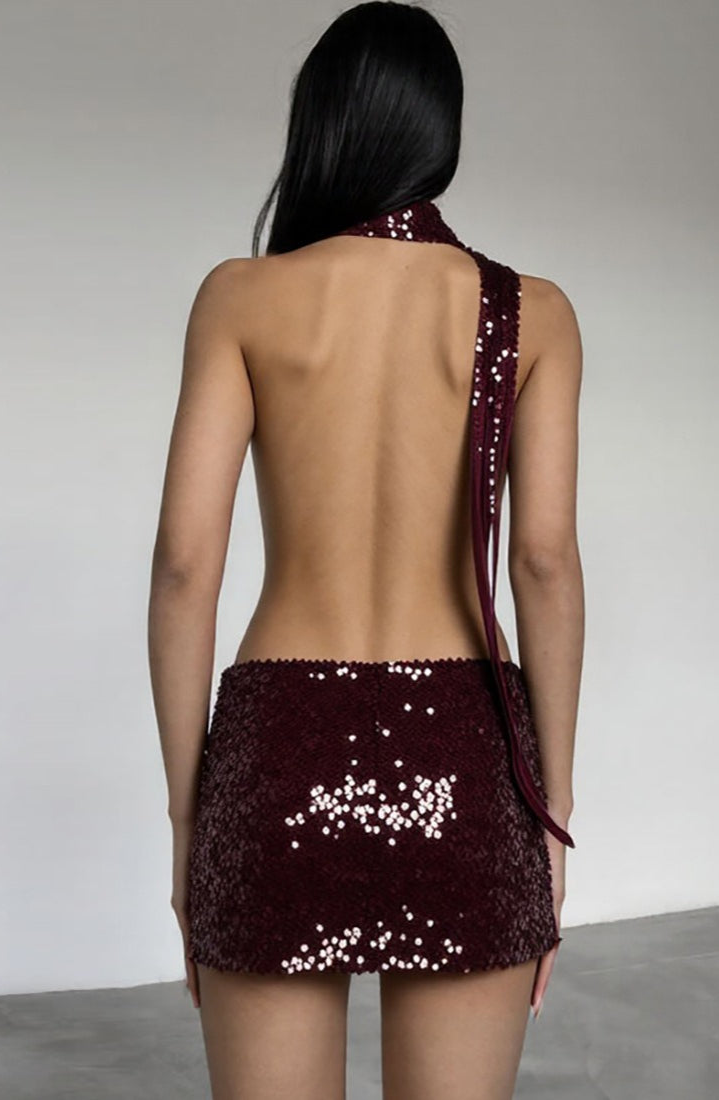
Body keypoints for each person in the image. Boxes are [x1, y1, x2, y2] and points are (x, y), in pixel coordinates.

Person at [147, 2, 584, 1097]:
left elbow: (185, 565)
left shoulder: (242, 297)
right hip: (466, 757)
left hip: (277, 755)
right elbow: (541, 562)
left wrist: (190, 815)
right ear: (442, 133)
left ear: (323, 125)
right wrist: (553, 815)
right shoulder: (532, 311)